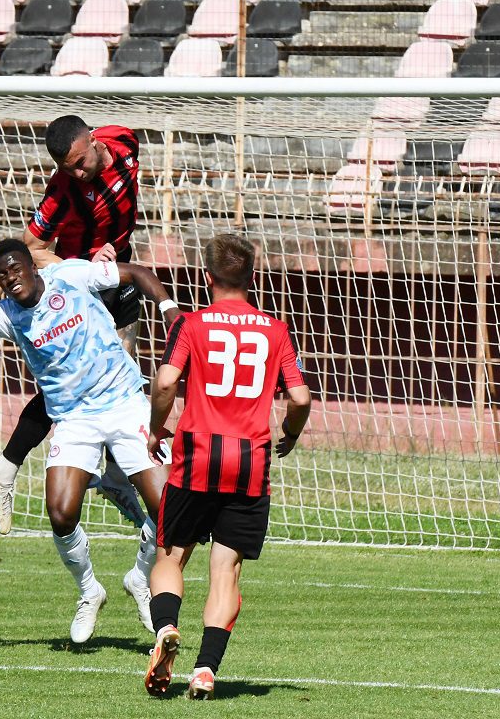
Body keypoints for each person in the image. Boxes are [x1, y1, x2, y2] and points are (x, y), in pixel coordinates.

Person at [0, 239, 181, 643]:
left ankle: (140, 578)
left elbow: (137, 273)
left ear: (33, 267)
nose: (11, 279)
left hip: (125, 404)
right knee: (60, 512)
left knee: (169, 510)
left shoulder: (70, 275)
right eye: (2, 276)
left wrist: (169, 310)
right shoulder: (7, 315)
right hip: (74, 420)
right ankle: (90, 591)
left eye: (16, 269)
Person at [142, 234, 311, 700]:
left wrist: (156, 429)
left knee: (170, 556)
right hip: (250, 463)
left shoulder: (191, 325)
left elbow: (165, 382)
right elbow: (300, 398)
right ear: (252, 278)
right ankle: (205, 670)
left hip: (197, 458)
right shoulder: (275, 330)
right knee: (226, 570)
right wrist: (290, 432)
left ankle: (166, 627)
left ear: (207, 277)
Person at [0, 116, 149, 534]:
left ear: (94, 141)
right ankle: (4, 469)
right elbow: (33, 247)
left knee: (120, 378)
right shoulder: (61, 191)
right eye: (66, 167)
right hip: (82, 287)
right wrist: (79, 271)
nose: (75, 173)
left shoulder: (125, 140)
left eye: (79, 163)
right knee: (70, 387)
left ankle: (115, 477)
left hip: (118, 272)